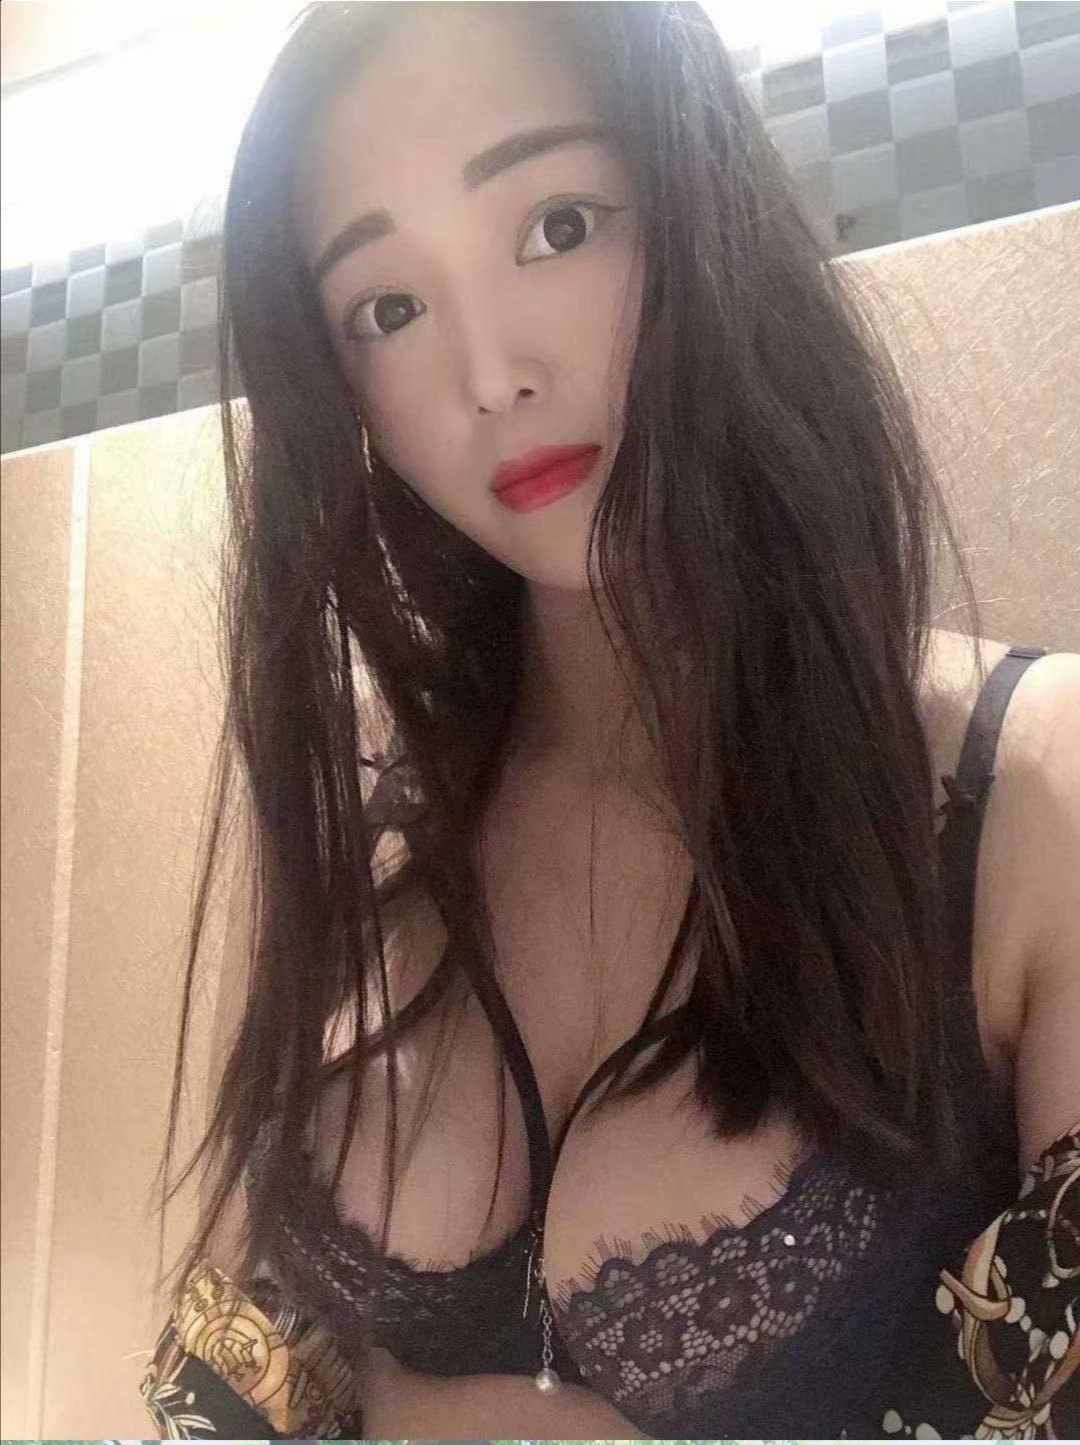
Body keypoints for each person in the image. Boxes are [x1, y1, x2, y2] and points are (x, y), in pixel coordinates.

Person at [141, 2, 1079, 1437]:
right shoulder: (370, 868)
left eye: (558, 225)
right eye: (389, 309)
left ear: (703, 211)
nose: (491, 374)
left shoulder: (1034, 787)